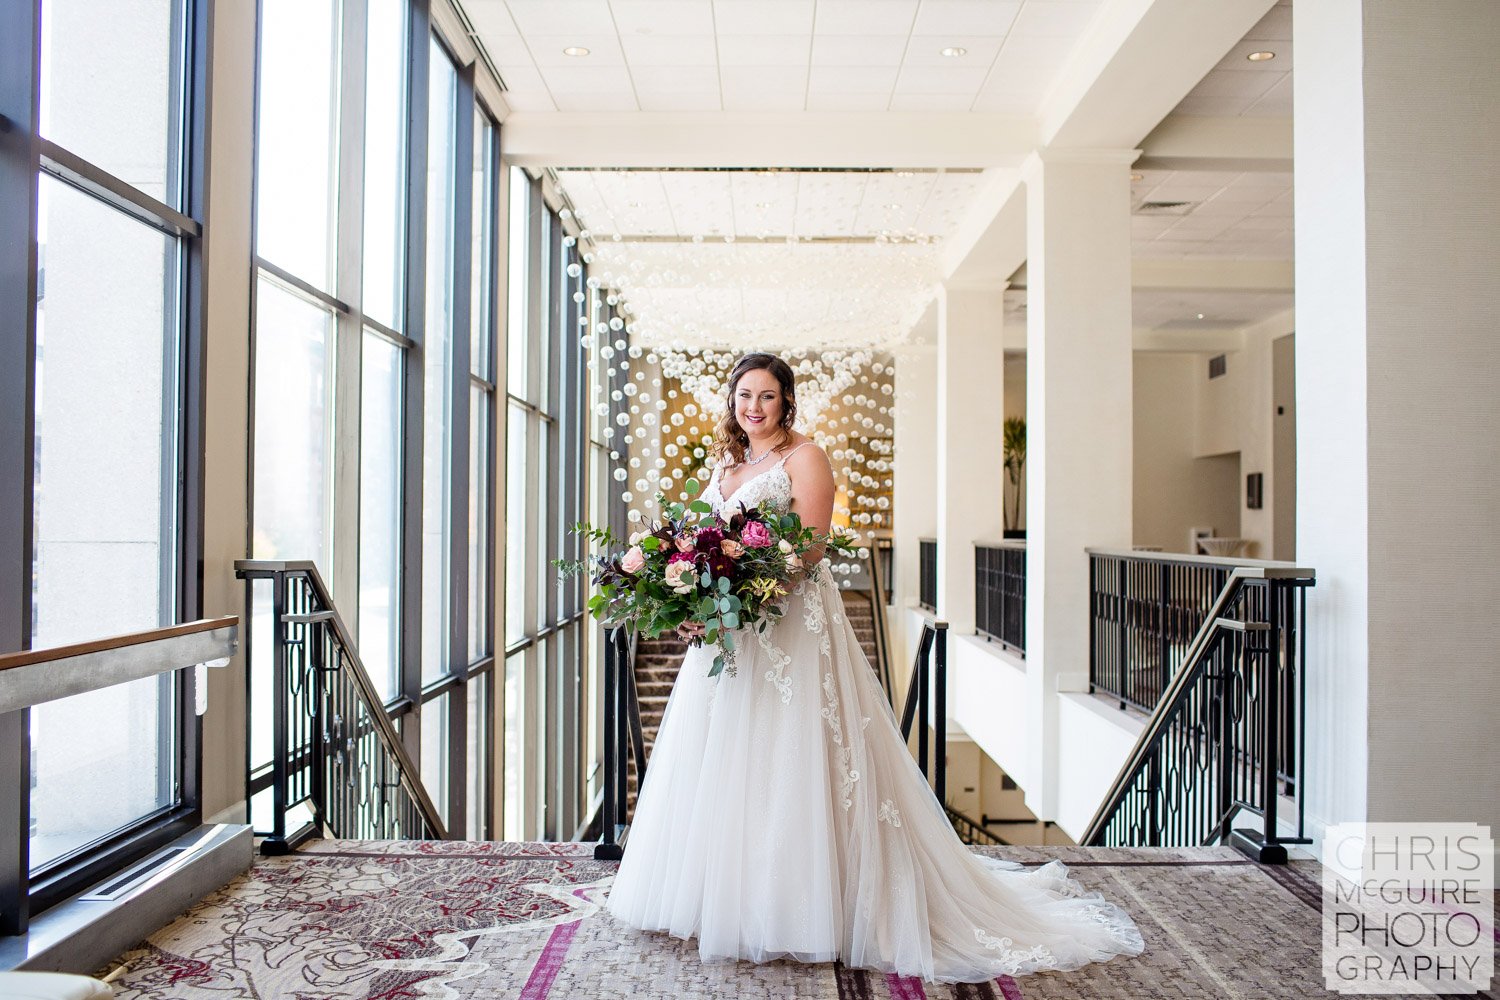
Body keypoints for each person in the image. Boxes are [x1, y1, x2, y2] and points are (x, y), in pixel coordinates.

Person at [605, 352, 1144, 983]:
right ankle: (721, 896)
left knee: (790, 754)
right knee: (727, 757)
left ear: (787, 402)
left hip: (789, 629)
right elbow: (703, 538)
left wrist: (744, 592)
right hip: (730, 638)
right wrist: (696, 594)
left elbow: (808, 547)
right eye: (744, 395)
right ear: (732, 401)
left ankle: (804, 906)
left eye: (767, 396)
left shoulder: (803, 458)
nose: (753, 407)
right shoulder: (726, 464)